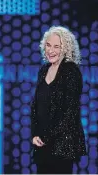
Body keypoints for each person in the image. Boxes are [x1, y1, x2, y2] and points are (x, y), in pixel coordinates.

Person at [30, 26, 86, 174]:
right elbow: (36, 105)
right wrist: (35, 134)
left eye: (56, 46)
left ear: (65, 48)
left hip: (62, 145)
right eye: (48, 45)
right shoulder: (44, 70)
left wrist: (46, 136)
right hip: (41, 144)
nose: (51, 50)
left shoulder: (71, 71)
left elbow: (69, 112)